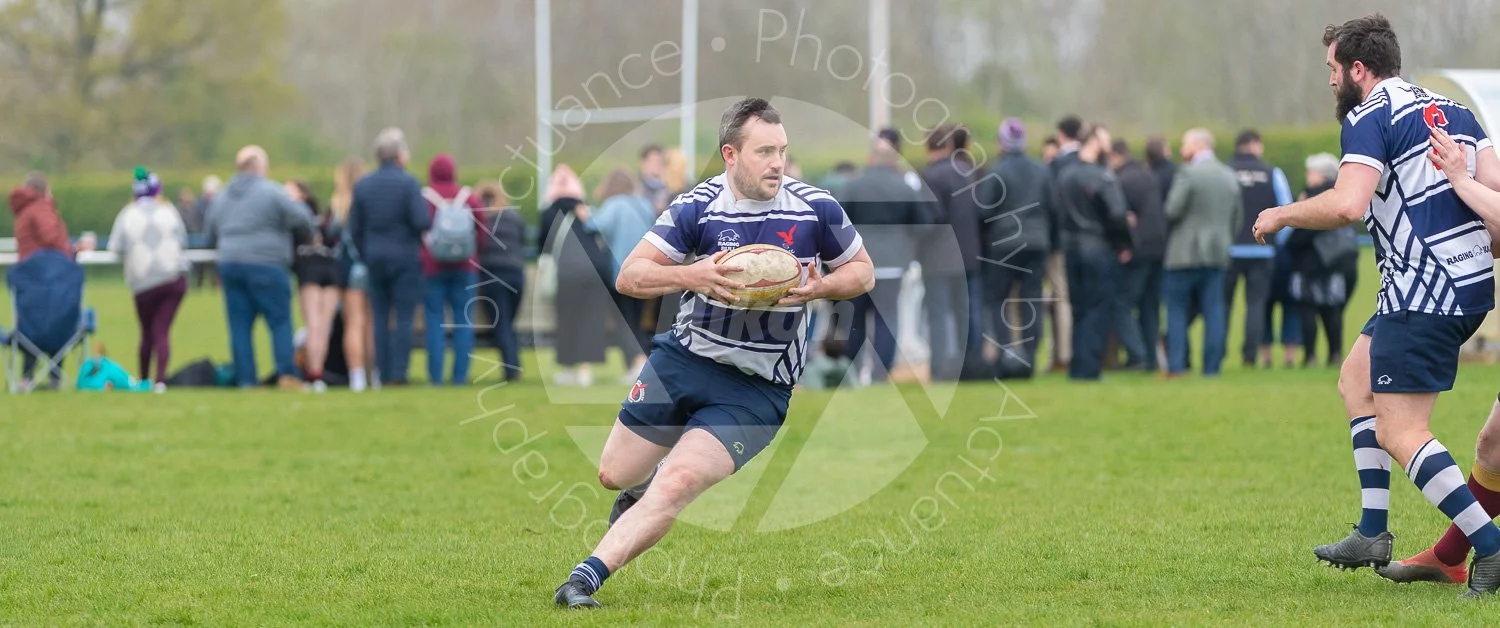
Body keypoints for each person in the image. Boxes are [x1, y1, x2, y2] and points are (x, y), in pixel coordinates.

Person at [552, 97, 874, 610]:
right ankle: (639, 489)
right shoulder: (696, 207)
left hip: (756, 389)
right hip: (682, 360)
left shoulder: (815, 208)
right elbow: (629, 276)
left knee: (675, 483)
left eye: (782, 151)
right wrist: (691, 274)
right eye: (764, 151)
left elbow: (863, 272)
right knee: (617, 473)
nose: (777, 163)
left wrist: (819, 288)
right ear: (730, 153)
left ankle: (583, 580)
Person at [1250, 14, 1500, 597]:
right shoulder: (1457, 113)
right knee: (1355, 380)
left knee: (1401, 430)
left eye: (1333, 70)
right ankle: (1372, 530)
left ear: (1357, 70)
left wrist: (1282, 214)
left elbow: (1348, 204)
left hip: (1423, 289)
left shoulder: (1370, 116)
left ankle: (1487, 549)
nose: (1331, 80)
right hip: (1458, 284)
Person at [204, 145, 314, 389]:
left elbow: (209, 234)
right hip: (267, 264)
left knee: (239, 326)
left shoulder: (221, 197)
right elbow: (303, 218)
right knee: (279, 322)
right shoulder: (272, 192)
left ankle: (246, 380)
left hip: (231, 264)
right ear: (260, 167)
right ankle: (286, 374)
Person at [840, 136, 926, 384]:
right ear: (893, 160)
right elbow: (921, 224)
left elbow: (837, 222)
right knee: (887, 318)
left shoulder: (854, 185)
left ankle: (853, 372)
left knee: (854, 317)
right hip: (892, 263)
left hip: (858, 261)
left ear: (870, 158)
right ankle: (880, 373)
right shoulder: (904, 187)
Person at [350, 127, 431, 388]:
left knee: (380, 317)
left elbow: (354, 228)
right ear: (399, 155)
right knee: (404, 317)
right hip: (405, 259)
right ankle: (399, 373)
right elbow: (421, 220)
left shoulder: (363, 185)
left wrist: (367, 253)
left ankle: (382, 373)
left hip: (374, 258)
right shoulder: (408, 183)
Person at [978, 118, 1056, 378]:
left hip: (1006, 243)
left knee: (996, 299)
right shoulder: (1042, 170)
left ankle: (1004, 356)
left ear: (1001, 142)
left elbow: (983, 209)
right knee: (1031, 299)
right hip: (1037, 242)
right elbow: (1053, 207)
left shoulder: (996, 171)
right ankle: (1030, 358)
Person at [1161, 129, 1240, 379]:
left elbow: (1172, 210)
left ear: (1196, 145)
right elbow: (1236, 218)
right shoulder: (1229, 175)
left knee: (1176, 310)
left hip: (1184, 253)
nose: (1181, 149)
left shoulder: (1187, 173)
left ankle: (1176, 366)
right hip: (1217, 253)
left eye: (1184, 144)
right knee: (1214, 310)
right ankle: (1211, 368)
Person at [1055, 124, 1132, 381]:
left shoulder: (1064, 175)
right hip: (1097, 248)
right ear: (1097, 141)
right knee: (1098, 309)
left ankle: (1078, 366)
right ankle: (1090, 368)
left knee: (1078, 309)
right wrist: (1124, 244)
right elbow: (1117, 215)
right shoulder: (1102, 176)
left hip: (1070, 249)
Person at [107, 167, 189, 391]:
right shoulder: (169, 211)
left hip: (143, 284)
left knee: (148, 332)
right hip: (173, 279)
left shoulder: (127, 214)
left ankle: (145, 379)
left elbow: (115, 248)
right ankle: (159, 380)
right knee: (161, 330)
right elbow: (182, 239)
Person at [918, 124, 984, 381]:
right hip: (970, 254)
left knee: (938, 313)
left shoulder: (930, 176)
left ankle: (941, 367)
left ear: (928, 147)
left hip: (939, 257)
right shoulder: (969, 172)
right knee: (968, 313)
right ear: (949, 146)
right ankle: (972, 364)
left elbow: (930, 219)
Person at [1226, 129, 1297, 368]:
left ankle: (1216, 355)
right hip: (1262, 249)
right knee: (1255, 304)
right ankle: (1249, 357)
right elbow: (1287, 213)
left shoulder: (1225, 172)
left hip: (1228, 250)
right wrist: (1276, 243)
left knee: (1222, 304)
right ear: (1256, 145)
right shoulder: (1272, 173)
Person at [538, 165, 611, 387]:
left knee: (567, 320)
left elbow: (544, 245)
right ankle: (585, 370)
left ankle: (568, 368)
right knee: (590, 320)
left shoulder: (548, 212)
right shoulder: (586, 210)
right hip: (594, 272)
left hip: (567, 273)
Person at [1284, 153, 1358, 367]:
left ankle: (1310, 356)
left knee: (1307, 310)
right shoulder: (1343, 194)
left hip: (1310, 264)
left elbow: (1302, 234)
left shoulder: (1313, 196)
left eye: (1311, 171)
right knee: (1332, 311)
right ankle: (1335, 354)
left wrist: (1291, 240)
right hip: (1336, 264)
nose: (1308, 175)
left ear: (1320, 175)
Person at [420, 153, 487, 386]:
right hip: (465, 268)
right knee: (463, 321)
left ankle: (436, 376)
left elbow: (418, 227)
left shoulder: (426, 197)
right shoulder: (468, 197)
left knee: (435, 321)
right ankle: (460, 375)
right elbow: (482, 229)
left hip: (433, 269)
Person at [589, 167, 657, 382]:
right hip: (646, 272)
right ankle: (643, 365)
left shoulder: (614, 204)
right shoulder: (644, 205)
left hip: (622, 273)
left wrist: (586, 212)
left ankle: (638, 364)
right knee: (640, 320)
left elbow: (597, 226)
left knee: (626, 321)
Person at [1108, 138, 1167, 371]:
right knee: (1150, 307)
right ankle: (1151, 360)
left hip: (1139, 250)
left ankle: (1138, 355)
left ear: (1115, 156)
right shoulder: (1147, 175)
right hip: (1159, 249)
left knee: (1121, 304)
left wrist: (1126, 247)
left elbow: (1122, 218)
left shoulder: (1121, 180)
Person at [288, 180, 340, 392]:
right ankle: (320, 374)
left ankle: (314, 373)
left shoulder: (294, 216)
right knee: (324, 325)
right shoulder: (322, 218)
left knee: (313, 323)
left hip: (309, 269)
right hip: (331, 268)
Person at [329, 159, 372, 392]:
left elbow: (332, 234)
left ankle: (357, 377)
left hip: (347, 266)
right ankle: (373, 372)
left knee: (353, 323)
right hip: (367, 264)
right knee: (370, 322)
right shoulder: (367, 201)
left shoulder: (338, 204)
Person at [476, 182, 526, 382]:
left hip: (492, 276)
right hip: (515, 274)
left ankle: (512, 370)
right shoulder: (514, 217)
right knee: (507, 321)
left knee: (502, 322)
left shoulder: (479, 217)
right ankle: (513, 366)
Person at [10, 172, 75, 262]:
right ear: (46, 190)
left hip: (28, 267)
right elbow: (51, 237)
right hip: (45, 268)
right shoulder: (41, 208)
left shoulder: (24, 211)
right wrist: (71, 251)